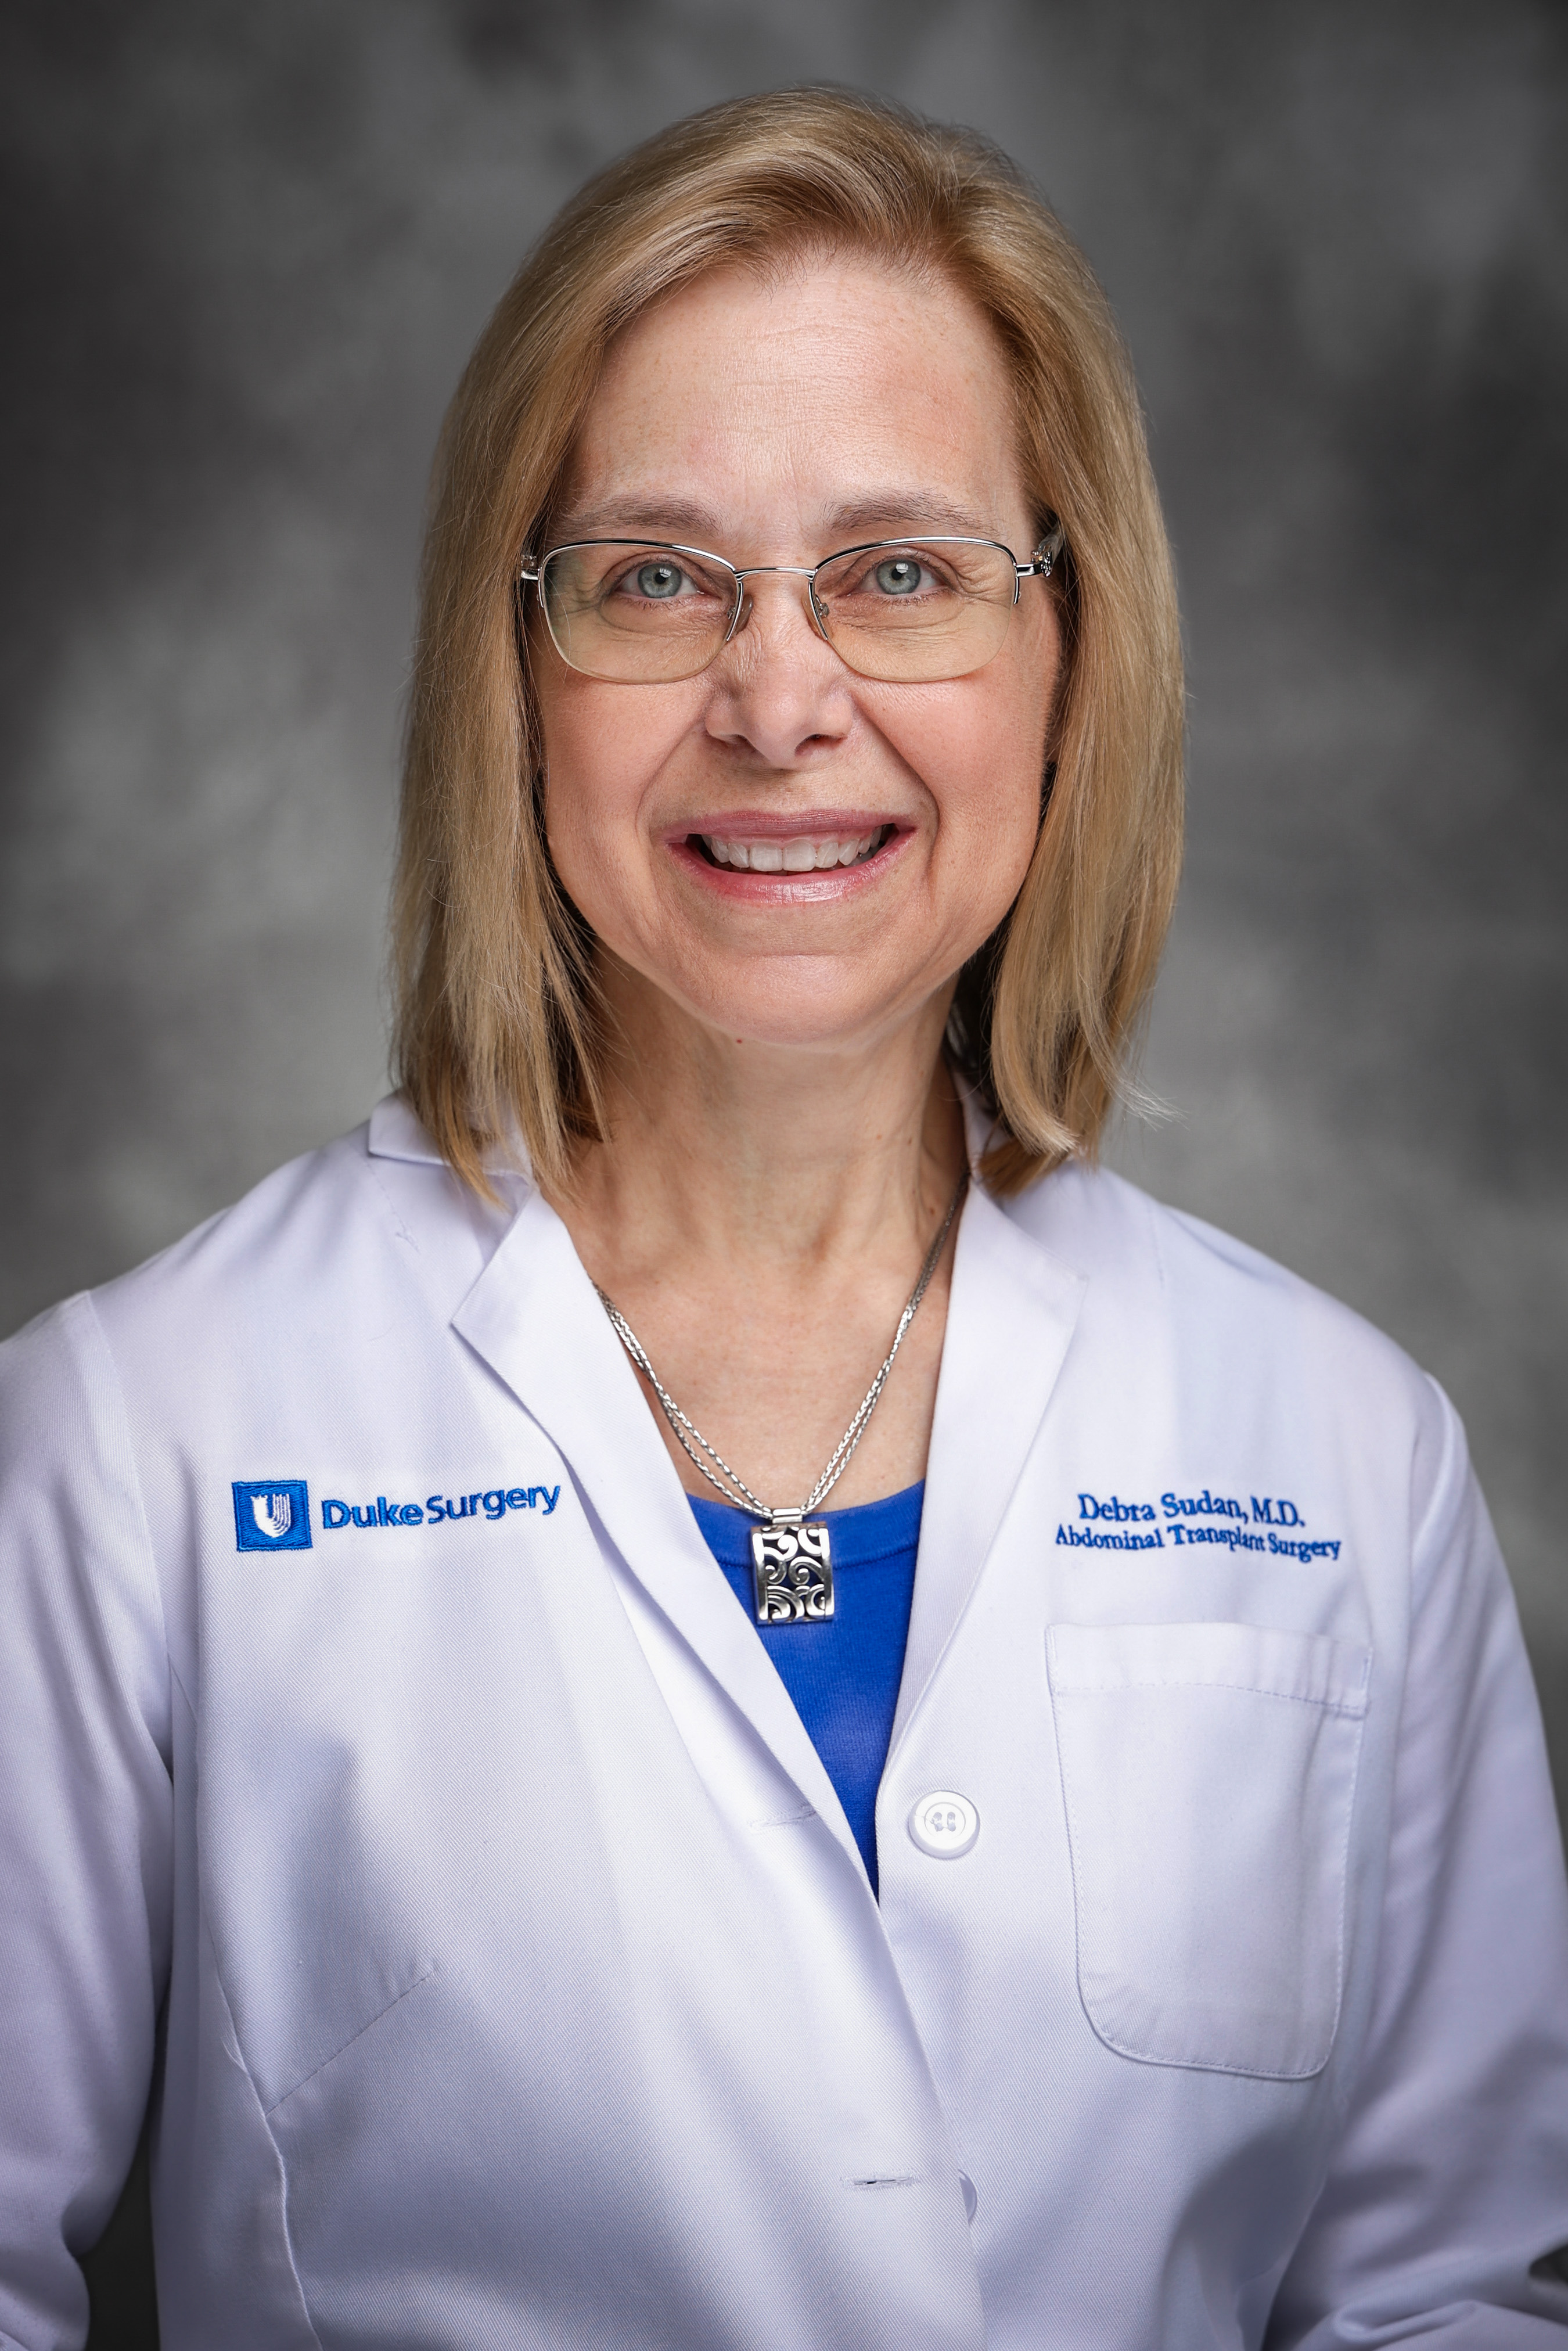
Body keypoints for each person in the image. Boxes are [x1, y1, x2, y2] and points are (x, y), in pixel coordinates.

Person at [1, 86, 1565, 2351]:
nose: (778, 697)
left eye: (903, 572)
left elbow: (1451, 2296)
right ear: (509, 668)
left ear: (1069, 652)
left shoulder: (1344, 1450)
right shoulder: (123, 1440)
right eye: (652, 578)